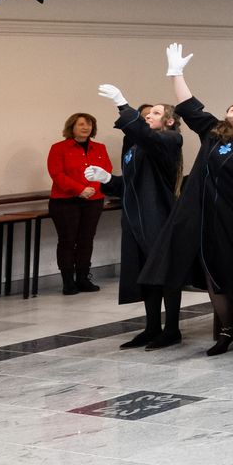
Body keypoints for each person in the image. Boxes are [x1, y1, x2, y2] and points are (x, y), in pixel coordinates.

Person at [143, 43, 233, 354]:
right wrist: (176, 73)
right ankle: (226, 329)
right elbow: (189, 107)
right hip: (206, 216)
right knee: (212, 272)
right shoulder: (214, 133)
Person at [94, 84, 185, 349]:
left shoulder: (170, 140)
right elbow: (130, 184)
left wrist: (123, 105)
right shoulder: (137, 147)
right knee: (145, 274)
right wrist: (108, 180)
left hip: (158, 217)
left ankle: (172, 329)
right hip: (135, 218)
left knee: (164, 272)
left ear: (169, 121)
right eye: (147, 113)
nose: (149, 116)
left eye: (155, 113)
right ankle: (152, 326)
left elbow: (147, 137)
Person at [45, 111, 113, 294]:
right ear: (72, 127)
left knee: (86, 240)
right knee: (67, 241)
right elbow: (57, 174)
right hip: (65, 202)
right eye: (81, 124)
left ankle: (83, 278)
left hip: (93, 200)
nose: (86, 127)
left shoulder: (99, 148)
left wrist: (91, 189)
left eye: (89, 124)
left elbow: (106, 170)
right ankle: (68, 282)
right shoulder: (58, 148)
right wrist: (79, 189)